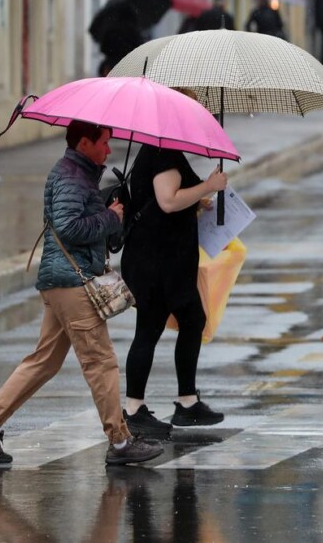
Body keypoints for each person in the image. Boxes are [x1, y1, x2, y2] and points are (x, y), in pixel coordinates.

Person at [0, 121, 163, 467]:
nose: (108, 150)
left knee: (44, 361)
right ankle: (120, 441)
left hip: (63, 280)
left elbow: (74, 220)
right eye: (104, 142)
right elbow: (70, 227)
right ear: (84, 143)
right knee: (100, 361)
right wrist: (110, 218)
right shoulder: (71, 176)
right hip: (73, 282)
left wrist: (109, 211)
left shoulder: (78, 173)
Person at [121, 116, 230, 439]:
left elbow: (169, 198)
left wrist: (199, 199)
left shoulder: (161, 150)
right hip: (157, 263)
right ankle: (133, 409)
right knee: (149, 329)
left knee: (193, 319)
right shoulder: (162, 152)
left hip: (166, 261)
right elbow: (168, 201)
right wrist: (208, 186)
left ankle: (187, 401)